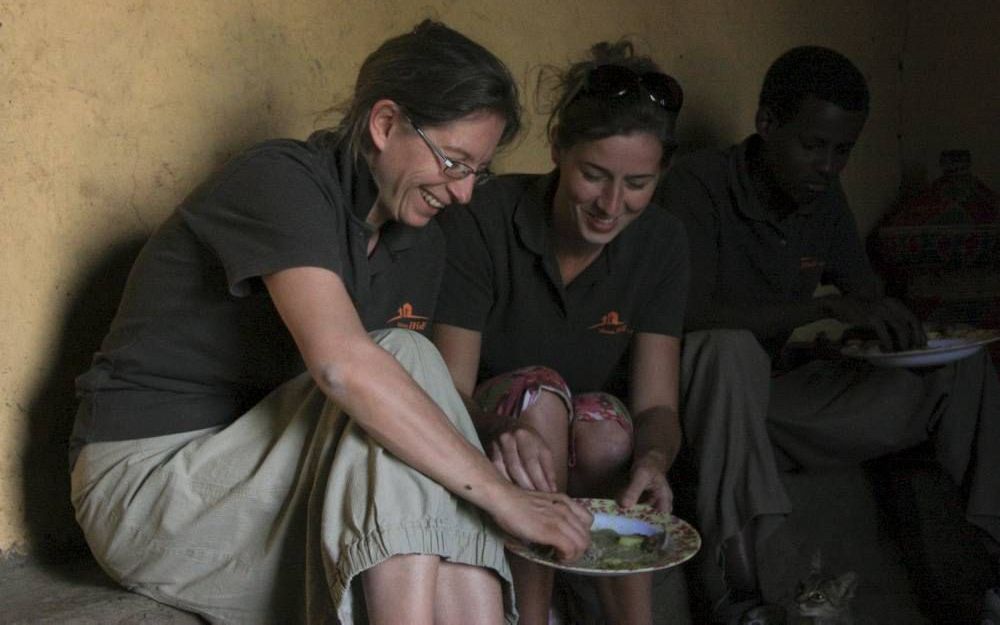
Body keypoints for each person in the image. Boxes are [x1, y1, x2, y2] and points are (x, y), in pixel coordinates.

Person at [69, 20, 593, 625]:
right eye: (454, 162)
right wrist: (504, 498)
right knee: (404, 362)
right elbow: (344, 367)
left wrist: (489, 431)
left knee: (410, 399)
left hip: (268, 489)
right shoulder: (281, 181)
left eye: (478, 172)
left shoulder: (418, 242)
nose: (464, 193)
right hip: (148, 490)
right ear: (385, 123)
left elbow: (394, 402)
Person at [657, 45, 1000, 623]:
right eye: (812, 146)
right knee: (727, 348)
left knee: (959, 368)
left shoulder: (824, 197)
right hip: (712, 407)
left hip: (784, 404)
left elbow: (863, 299)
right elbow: (682, 316)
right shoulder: (698, 185)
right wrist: (826, 308)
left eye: (843, 151)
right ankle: (759, 597)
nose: (827, 166)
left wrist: (892, 327)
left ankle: (990, 569)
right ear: (766, 124)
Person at [432, 41, 688, 625]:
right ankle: (532, 615)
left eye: (638, 184)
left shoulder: (663, 242)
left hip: (583, 453)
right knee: (540, 396)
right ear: (557, 151)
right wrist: (501, 429)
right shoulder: (484, 217)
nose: (611, 205)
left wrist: (654, 458)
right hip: (494, 444)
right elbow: (445, 389)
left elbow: (656, 406)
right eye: (593, 176)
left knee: (606, 429)